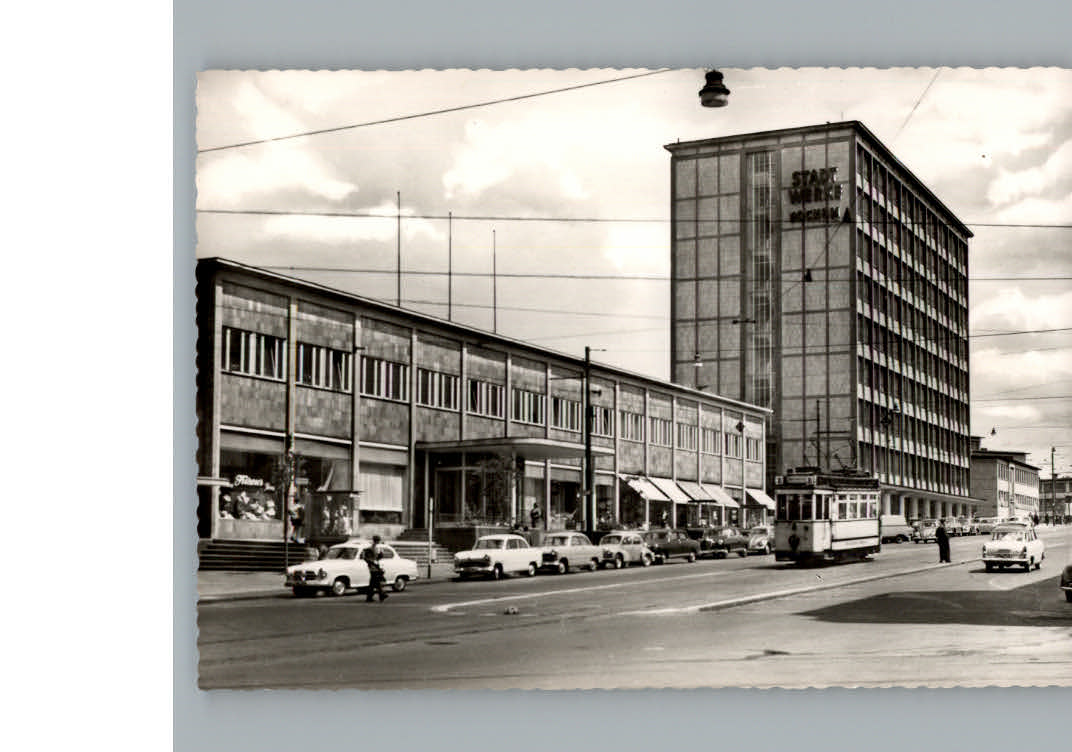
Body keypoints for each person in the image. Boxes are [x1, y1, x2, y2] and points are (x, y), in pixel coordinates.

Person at [363, 535, 388, 602]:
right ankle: (381, 594)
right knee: (376, 580)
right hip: (373, 566)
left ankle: (370, 597)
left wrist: (381, 554)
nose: (378, 541)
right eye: (378, 540)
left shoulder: (375, 547)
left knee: (373, 582)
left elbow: (377, 557)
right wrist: (373, 562)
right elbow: (369, 558)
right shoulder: (371, 548)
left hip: (374, 566)